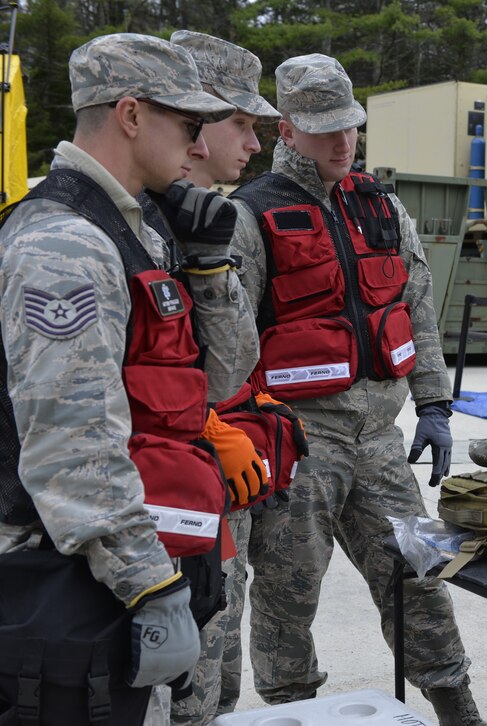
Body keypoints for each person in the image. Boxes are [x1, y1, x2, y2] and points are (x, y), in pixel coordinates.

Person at [229, 54, 486, 725]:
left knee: (422, 577)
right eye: (323, 129)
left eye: (350, 126)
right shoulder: (249, 217)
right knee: (289, 594)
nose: (343, 142)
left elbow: (418, 308)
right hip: (298, 442)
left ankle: (458, 706)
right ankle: (292, 711)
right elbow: (230, 344)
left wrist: (434, 402)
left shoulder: (383, 208)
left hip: (380, 442)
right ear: (285, 129)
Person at [0, 33, 248, 724]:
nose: (200, 146)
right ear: (132, 116)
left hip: (138, 555)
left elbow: (221, 379)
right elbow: (70, 448)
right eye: (189, 126)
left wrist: (210, 268)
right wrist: (148, 585)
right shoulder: (65, 244)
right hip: (74, 571)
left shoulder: (147, 228)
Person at [145, 30, 283, 726]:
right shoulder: (123, 226)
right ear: (196, 124)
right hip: (156, 504)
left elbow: (225, 359)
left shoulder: (204, 223)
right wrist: (203, 424)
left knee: (215, 678)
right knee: (176, 687)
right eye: (243, 123)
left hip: (213, 487)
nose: (254, 144)